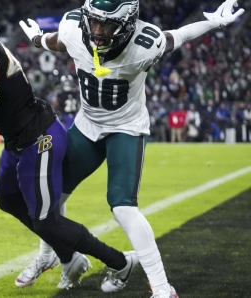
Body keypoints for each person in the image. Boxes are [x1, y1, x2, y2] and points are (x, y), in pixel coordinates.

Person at [0, 0, 138, 292]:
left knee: (45, 221)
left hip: (39, 136)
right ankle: (69, 258)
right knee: (7, 198)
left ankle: (119, 261)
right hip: (16, 139)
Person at [19, 0, 244, 296]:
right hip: (88, 125)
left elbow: (178, 35)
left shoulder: (143, 45)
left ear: (127, 25)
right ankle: (48, 257)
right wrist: (37, 39)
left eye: (107, 24)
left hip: (126, 127)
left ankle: (163, 288)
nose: (97, 31)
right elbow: (60, 41)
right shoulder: (75, 29)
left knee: (123, 207)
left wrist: (214, 23)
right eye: (94, 22)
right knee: (50, 198)